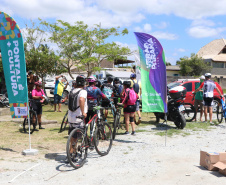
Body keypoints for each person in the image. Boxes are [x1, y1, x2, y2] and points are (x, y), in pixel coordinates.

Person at [66, 76, 87, 163]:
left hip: (71, 116)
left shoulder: (72, 91)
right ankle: (72, 155)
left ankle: (71, 154)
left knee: (72, 137)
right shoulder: (83, 91)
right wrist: (83, 112)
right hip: (78, 116)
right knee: (76, 137)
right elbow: (81, 99)